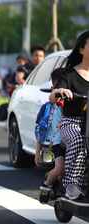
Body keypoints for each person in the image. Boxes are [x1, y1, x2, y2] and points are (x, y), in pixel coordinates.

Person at [50, 30, 89, 201]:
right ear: (81, 49)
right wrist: (60, 91)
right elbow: (52, 96)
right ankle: (72, 185)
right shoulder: (69, 75)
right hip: (72, 122)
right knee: (79, 140)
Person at [35, 68, 65, 194]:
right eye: (58, 87)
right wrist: (37, 152)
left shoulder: (72, 104)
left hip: (70, 141)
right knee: (59, 169)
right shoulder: (47, 108)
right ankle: (46, 185)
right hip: (55, 144)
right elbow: (40, 129)